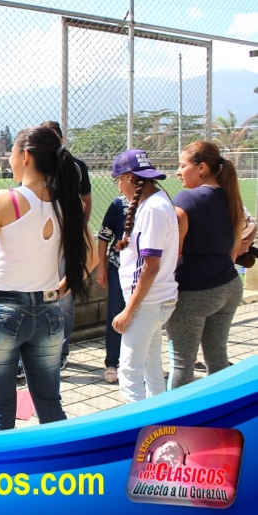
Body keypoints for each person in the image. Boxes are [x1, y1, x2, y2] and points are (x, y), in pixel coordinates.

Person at [0, 126, 95, 431]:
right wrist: (62, 289)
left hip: (1, 312)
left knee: (0, 414)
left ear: (26, 156)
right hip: (48, 312)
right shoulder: (67, 202)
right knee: (50, 406)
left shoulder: (6, 199)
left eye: (11, 153)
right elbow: (92, 257)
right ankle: (64, 474)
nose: (9, 160)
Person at [165, 141, 244, 390]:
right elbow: (235, 248)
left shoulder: (186, 199)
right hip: (229, 287)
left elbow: (171, 252)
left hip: (194, 293)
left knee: (182, 364)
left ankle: (174, 424)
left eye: (182, 165)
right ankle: (222, 416)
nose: (178, 171)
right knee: (218, 358)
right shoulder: (230, 195)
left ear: (201, 168)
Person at [110, 150, 178, 403]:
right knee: (151, 367)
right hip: (154, 301)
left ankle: (136, 433)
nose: (118, 187)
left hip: (148, 303)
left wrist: (129, 310)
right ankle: (157, 425)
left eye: (118, 180)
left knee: (129, 371)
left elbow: (150, 266)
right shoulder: (156, 203)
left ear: (128, 178)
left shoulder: (153, 208)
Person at [39, 121, 92, 370]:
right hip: (39, 243)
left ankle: (61, 351)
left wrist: (79, 230)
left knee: (64, 302)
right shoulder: (36, 165)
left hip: (65, 244)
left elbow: (86, 200)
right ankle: (28, 358)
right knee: (34, 300)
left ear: (61, 140)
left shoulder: (75, 166)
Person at [96, 195, 129, 384]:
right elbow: (103, 237)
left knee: (146, 317)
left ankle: (147, 362)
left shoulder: (155, 200)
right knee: (116, 313)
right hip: (118, 269)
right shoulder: (118, 203)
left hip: (147, 271)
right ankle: (112, 363)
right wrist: (102, 266)